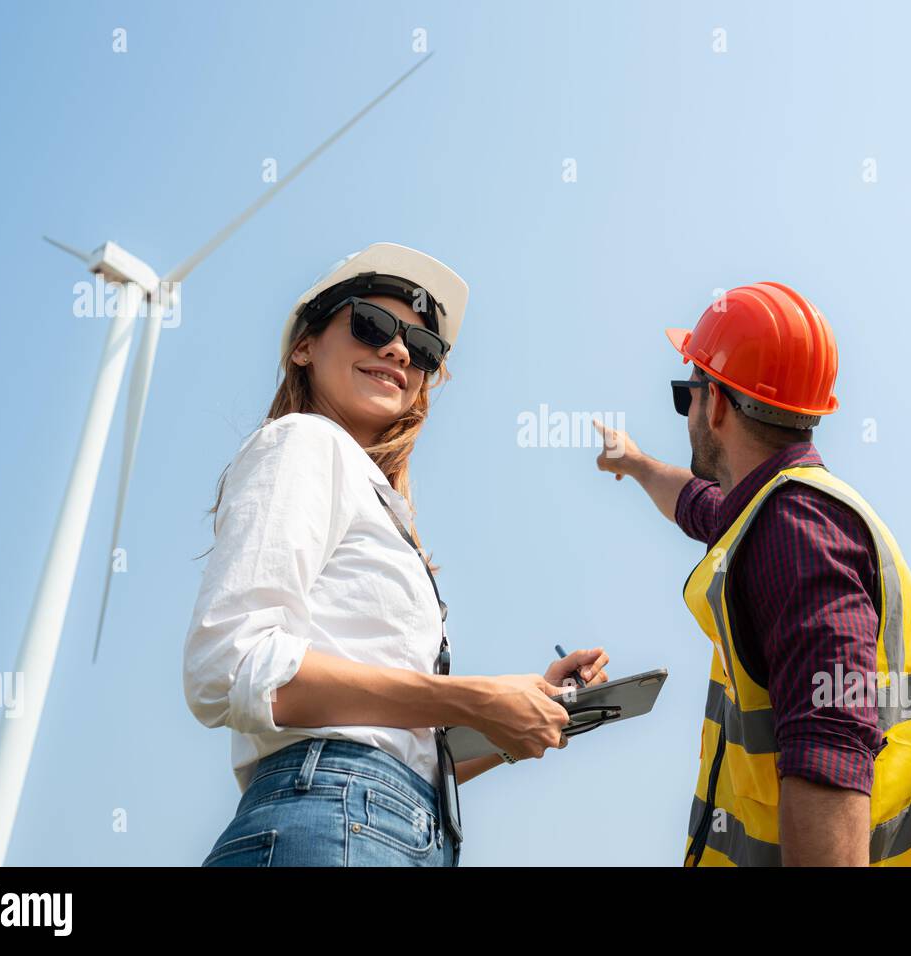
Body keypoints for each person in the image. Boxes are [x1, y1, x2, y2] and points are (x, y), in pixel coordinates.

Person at [183, 242, 610, 866]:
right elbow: (228, 664)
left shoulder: (373, 499)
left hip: (395, 825)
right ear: (304, 346)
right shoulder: (303, 442)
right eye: (372, 325)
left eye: (424, 349)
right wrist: (476, 699)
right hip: (335, 816)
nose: (400, 351)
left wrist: (517, 713)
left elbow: (394, 747)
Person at [593, 281, 911, 866]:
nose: (689, 413)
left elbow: (829, 753)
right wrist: (633, 462)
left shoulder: (799, 532)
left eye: (689, 395)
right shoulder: (771, 515)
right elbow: (697, 504)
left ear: (720, 405)